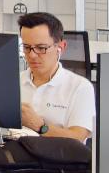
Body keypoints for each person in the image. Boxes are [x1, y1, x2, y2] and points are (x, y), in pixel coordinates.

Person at [16, 11, 95, 142]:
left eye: (41, 48)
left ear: (61, 47)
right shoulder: (13, 82)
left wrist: (40, 126)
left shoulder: (80, 87)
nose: (32, 55)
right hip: (13, 151)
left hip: (55, 154)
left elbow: (78, 138)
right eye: (27, 47)